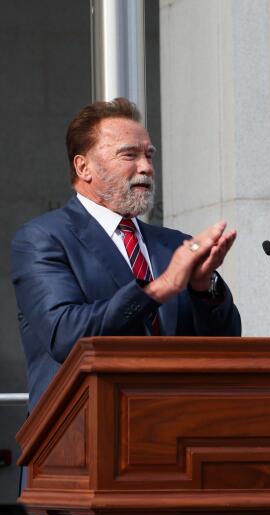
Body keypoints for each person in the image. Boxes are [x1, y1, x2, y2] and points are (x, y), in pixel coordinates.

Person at [11, 97, 242, 410]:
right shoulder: (44, 238)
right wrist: (159, 289)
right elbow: (65, 334)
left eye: (149, 155)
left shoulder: (174, 245)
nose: (146, 167)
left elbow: (224, 350)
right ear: (84, 167)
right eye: (129, 155)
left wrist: (203, 291)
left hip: (174, 429)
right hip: (80, 436)